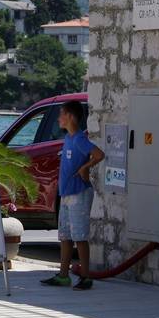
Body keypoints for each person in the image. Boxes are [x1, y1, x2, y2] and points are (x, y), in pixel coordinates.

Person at [41, 101, 105, 291]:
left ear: (70, 116)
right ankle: (63, 275)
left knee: (80, 236)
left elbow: (99, 155)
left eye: (61, 114)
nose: (58, 119)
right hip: (66, 193)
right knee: (65, 236)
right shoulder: (68, 138)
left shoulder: (79, 139)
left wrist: (85, 168)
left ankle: (85, 277)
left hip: (79, 193)